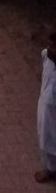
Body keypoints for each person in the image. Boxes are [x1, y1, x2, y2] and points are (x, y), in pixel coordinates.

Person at [36, 28, 56, 183]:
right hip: (46, 105)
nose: (51, 49)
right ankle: (50, 168)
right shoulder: (47, 57)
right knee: (45, 134)